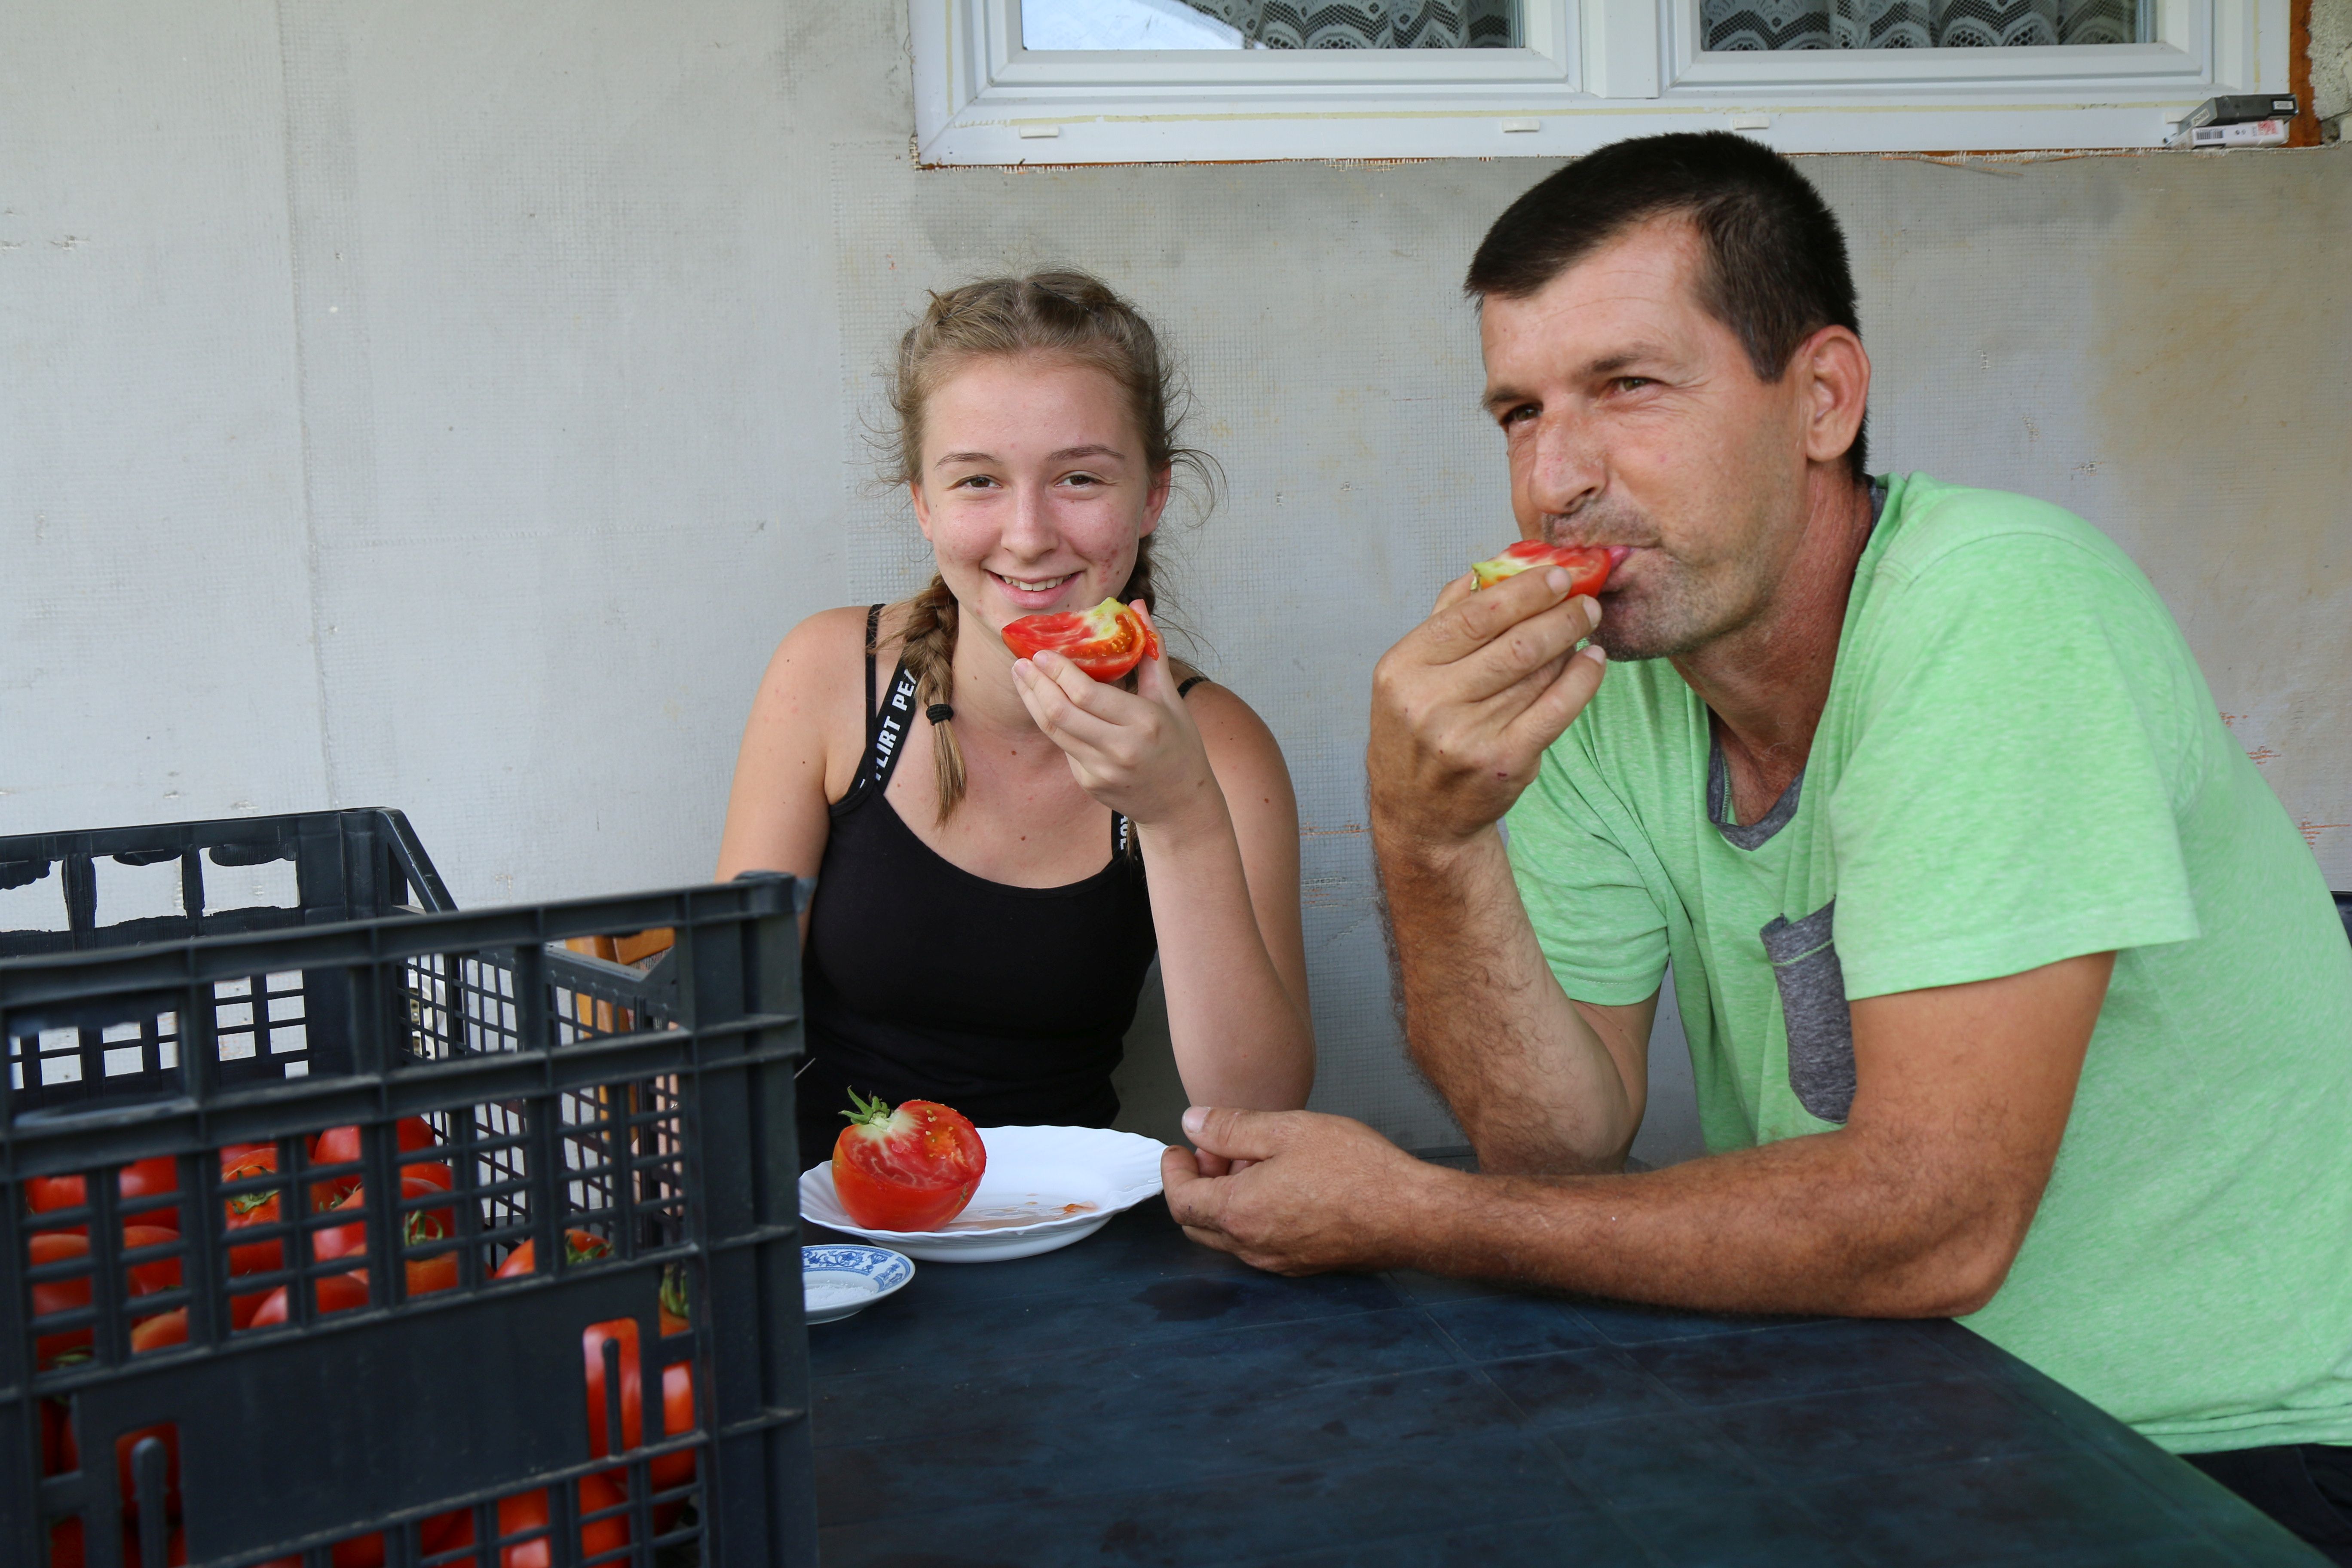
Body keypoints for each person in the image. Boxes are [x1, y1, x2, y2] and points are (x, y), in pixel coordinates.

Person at [1161, 134, 2352, 1558]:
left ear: (1824, 398)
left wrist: (1417, 1212)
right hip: (1882, 1400)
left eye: (1630, 387)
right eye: (1517, 411)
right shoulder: (1618, 668)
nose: (1555, 478)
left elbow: (1935, 1222)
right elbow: (1555, 1138)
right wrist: (1430, 833)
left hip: (2222, 1444)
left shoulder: (1998, 607)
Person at [719, 271, 1314, 1171]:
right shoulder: (829, 676)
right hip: (821, 1222)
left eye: (1079, 478)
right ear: (923, 502)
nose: (1030, 534)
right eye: (978, 482)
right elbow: (729, 1026)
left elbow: (1258, 1113)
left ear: (1151, 496)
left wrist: (1179, 815)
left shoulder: (1219, 746)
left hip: (1070, 1236)